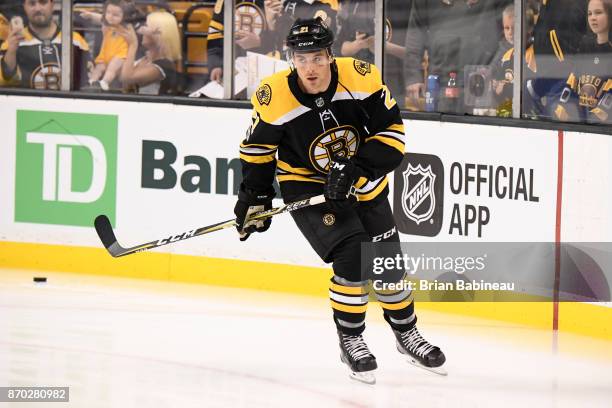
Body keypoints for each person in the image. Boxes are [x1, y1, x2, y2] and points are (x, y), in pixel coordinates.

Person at [234, 17, 446, 384]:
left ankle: (406, 334)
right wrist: (255, 196)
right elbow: (257, 151)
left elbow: (392, 134)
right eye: (301, 59)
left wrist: (357, 167)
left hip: (363, 181)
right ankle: (352, 341)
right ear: (290, 60)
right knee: (354, 254)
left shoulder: (361, 77)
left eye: (316, 57)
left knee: (389, 264)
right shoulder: (274, 97)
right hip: (307, 185)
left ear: (330, 56)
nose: (309, 67)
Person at [403, 0, 505, 114]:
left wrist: (494, 71)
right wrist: (413, 76)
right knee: (440, 125)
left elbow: (509, 34)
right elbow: (415, 34)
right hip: (441, 80)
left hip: (481, 78)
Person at [0, 0, 91, 89]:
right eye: (32, 3)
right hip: (27, 103)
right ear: (24, 7)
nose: (37, 8)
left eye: (43, 2)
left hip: (67, 104)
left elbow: (87, 82)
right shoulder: (12, 42)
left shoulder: (75, 41)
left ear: (52, 5)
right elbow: (5, 81)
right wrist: (11, 51)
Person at [553, 0, 612, 124]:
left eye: (598, 12)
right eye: (589, 14)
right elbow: (573, 80)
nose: (593, 18)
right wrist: (563, 105)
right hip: (580, 122)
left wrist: (600, 113)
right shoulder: (585, 46)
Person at [119, 11, 180, 95]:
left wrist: (132, 45)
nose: (142, 31)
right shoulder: (143, 59)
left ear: (160, 34)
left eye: (146, 27)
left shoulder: (163, 65)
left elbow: (127, 78)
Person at [85, 0, 128, 91]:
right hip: (105, 54)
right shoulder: (106, 24)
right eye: (108, 12)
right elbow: (100, 18)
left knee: (112, 68)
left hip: (120, 55)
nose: (111, 17)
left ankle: (105, 82)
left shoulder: (125, 26)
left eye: (115, 15)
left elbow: (139, 28)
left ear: (124, 17)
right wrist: (90, 15)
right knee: (98, 68)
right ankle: (92, 81)